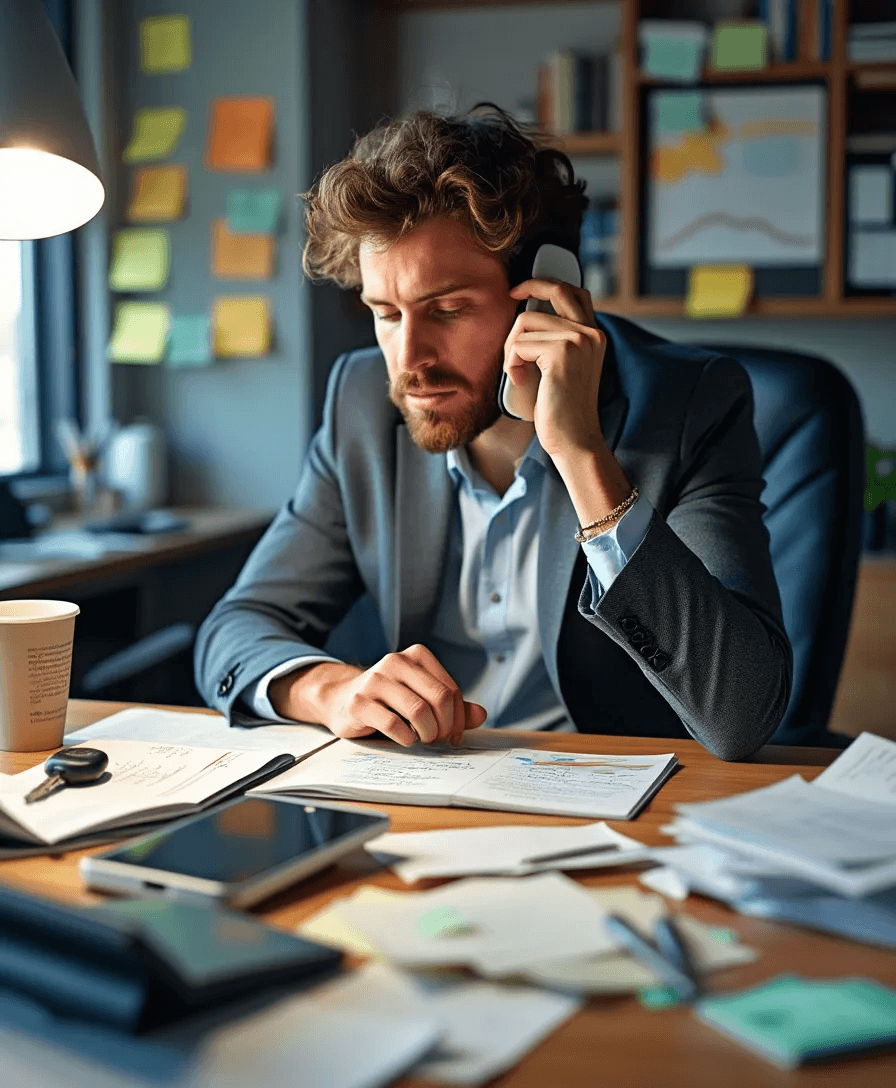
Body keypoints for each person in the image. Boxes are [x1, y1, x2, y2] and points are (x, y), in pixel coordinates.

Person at [195, 105, 791, 761]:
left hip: (614, 801)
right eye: (385, 313)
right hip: (426, 795)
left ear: (544, 294)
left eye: (447, 309)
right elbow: (235, 628)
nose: (410, 359)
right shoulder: (362, 401)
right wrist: (332, 690)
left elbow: (741, 714)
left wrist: (582, 455)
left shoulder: (685, 406)